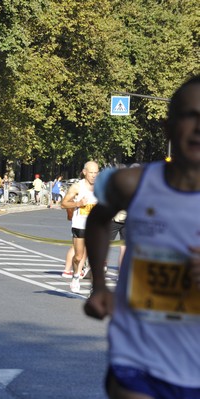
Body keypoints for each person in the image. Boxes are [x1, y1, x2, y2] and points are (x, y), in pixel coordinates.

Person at [83, 76, 200, 399]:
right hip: (137, 356)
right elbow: (97, 220)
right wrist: (99, 286)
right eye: (191, 116)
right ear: (167, 127)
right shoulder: (131, 184)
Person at [61, 161, 99, 293]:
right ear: (85, 172)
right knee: (78, 256)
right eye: (91, 173)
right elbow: (64, 204)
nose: (94, 175)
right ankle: (76, 276)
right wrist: (78, 203)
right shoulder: (77, 187)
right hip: (79, 225)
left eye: (96, 173)